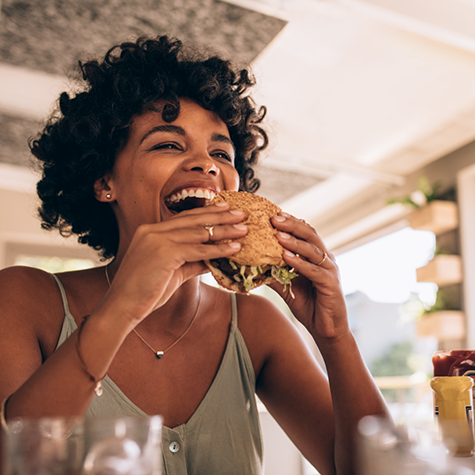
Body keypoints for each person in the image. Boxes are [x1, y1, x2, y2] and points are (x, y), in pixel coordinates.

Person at [0, 36, 389, 475]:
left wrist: (336, 338)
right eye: (168, 144)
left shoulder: (257, 326)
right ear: (104, 180)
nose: (207, 165)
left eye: (221, 153)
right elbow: (15, 461)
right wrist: (122, 309)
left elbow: (377, 471)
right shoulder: (22, 298)